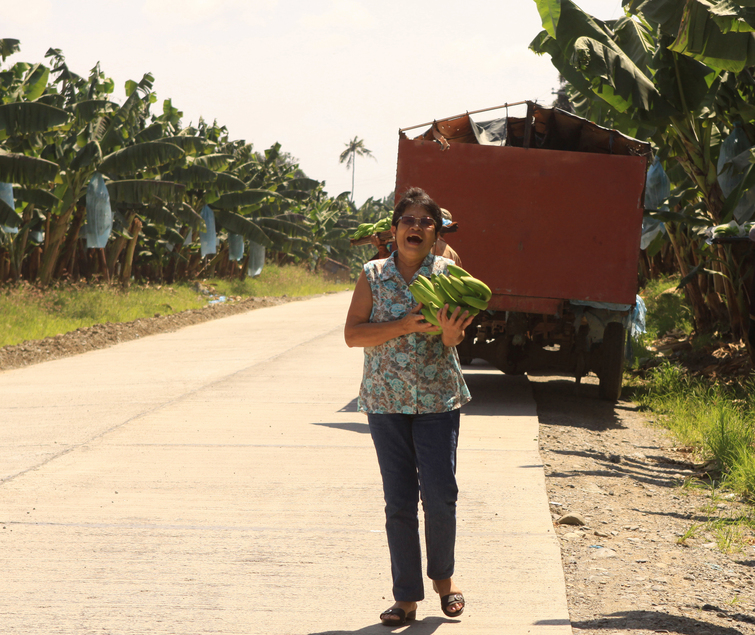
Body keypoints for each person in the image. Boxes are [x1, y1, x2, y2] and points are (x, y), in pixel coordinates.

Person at [344, 187, 473, 626]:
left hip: (438, 397)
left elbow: (456, 337)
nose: (415, 227)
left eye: (426, 221)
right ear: (394, 230)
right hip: (385, 401)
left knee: (441, 496)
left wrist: (452, 336)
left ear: (435, 233)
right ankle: (406, 598)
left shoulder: (449, 272)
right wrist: (401, 325)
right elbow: (353, 335)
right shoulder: (373, 275)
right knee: (398, 501)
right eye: (408, 220)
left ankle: (444, 581)